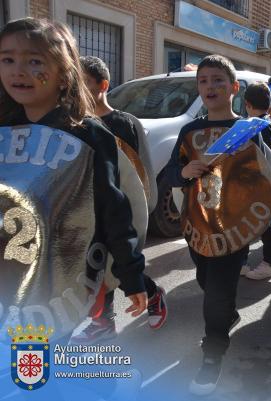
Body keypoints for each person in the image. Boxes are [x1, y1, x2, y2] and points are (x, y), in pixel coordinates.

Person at [0, 18, 147, 334]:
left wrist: (131, 275)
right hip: (6, 277)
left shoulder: (91, 136)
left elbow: (114, 212)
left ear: (64, 74)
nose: (18, 70)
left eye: (34, 60)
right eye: (7, 59)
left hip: (56, 285)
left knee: (32, 366)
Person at [164, 55, 263, 395]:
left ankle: (212, 355)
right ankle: (226, 316)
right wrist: (183, 172)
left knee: (217, 293)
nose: (211, 86)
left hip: (234, 229)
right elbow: (167, 175)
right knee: (208, 282)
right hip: (197, 227)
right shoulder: (189, 131)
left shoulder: (252, 130)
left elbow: (269, 178)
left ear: (234, 88)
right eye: (204, 80)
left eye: (218, 80)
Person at [68, 56, 167, 344]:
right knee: (97, 270)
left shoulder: (122, 123)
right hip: (88, 212)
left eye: (85, 83)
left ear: (103, 86)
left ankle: (151, 293)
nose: (78, 91)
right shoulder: (74, 124)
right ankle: (103, 322)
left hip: (118, 211)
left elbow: (137, 173)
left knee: (117, 268)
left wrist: (137, 214)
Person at [240, 82, 271, 280]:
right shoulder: (269, 123)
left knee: (262, 225)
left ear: (247, 103)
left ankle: (266, 263)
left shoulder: (255, 126)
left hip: (257, 185)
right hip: (269, 183)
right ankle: (247, 262)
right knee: (262, 224)